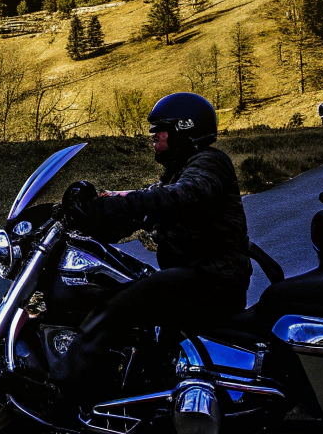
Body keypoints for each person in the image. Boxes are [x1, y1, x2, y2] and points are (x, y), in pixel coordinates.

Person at [57, 92, 251, 414]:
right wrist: (89, 219)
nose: (153, 135)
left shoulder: (210, 162)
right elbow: (143, 208)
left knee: (119, 305)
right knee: (119, 285)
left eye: (160, 128)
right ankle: (136, 389)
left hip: (212, 279)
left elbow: (180, 197)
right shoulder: (176, 172)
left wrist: (117, 202)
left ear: (183, 129)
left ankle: (65, 390)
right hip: (198, 276)